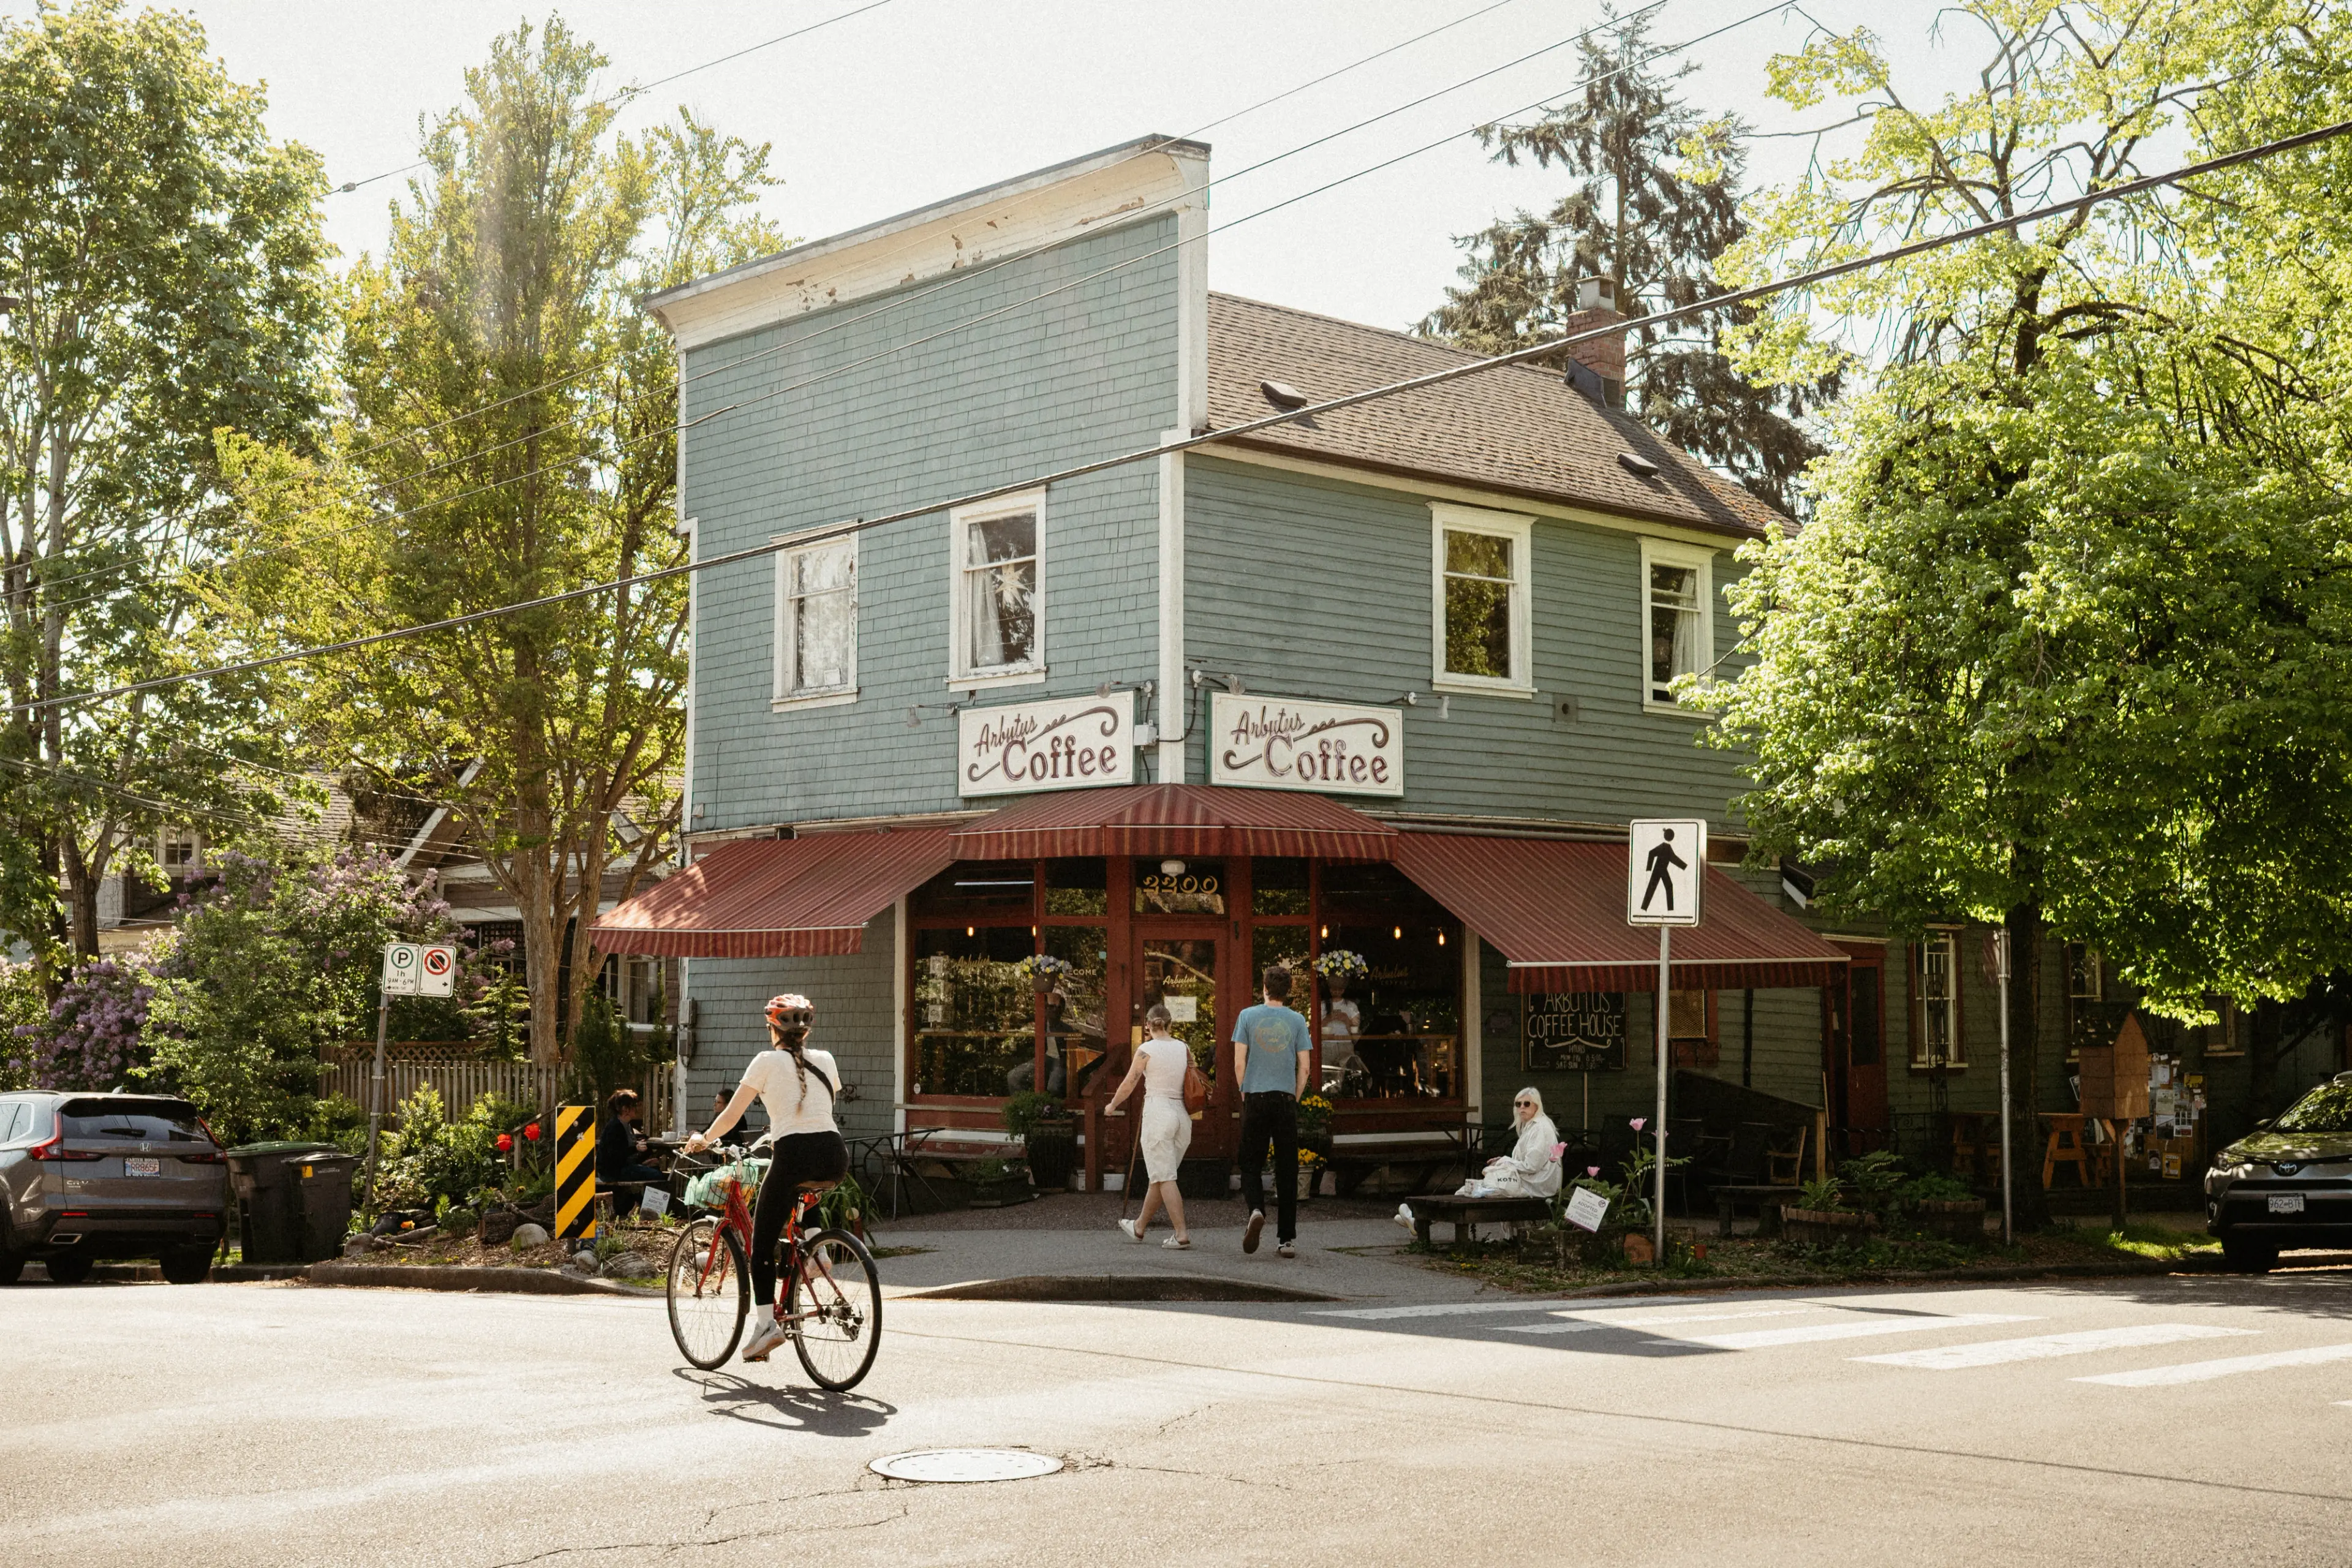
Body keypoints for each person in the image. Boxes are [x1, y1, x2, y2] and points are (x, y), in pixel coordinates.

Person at [686, 994, 847, 1365]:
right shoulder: (826, 1059)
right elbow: (820, 1107)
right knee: (804, 1191)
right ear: (807, 1031)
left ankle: (765, 1327)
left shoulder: (765, 1061)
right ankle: (817, 1252)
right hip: (834, 1154)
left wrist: (704, 1139)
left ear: (772, 1029)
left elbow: (731, 1116)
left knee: (760, 1247)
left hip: (794, 1155)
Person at [1233, 965, 1312, 1259]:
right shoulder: (1297, 1020)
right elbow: (1305, 1067)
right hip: (1284, 1099)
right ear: (1287, 991)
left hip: (1256, 1096)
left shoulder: (1247, 1016)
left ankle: (1256, 1209)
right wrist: (1295, 1096)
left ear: (1264, 988)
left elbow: (1239, 1062)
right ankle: (1286, 1239)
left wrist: (1245, 1090)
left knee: (1250, 1162)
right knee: (1287, 1167)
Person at [1105, 1005, 1194, 1248]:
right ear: (1170, 1024)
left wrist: (1113, 1105)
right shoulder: (1184, 1047)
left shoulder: (1146, 1050)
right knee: (1161, 1176)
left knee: (1165, 1176)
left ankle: (1181, 1234)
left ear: (1147, 1026)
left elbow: (1129, 1083)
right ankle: (1139, 1226)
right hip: (1182, 1116)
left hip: (1158, 1114)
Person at [1459, 1087, 1562, 1199]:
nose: (1522, 1107)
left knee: (1472, 1190)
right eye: (1518, 1104)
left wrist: (1505, 1161)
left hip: (1538, 1186)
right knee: (1470, 1189)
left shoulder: (1540, 1128)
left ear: (1537, 1106)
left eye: (1527, 1104)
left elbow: (1531, 1166)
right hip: (1533, 1181)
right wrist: (1504, 1161)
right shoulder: (1533, 1125)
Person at [597, 1088, 666, 1185]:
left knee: (655, 1168)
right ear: (625, 1109)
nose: (636, 1109)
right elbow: (617, 1155)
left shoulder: (626, 1125)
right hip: (611, 1173)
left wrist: (643, 1164)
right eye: (634, 1106)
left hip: (621, 1168)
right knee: (657, 1176)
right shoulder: (615, 1127)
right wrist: (636, 1149)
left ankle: (642, 1196)